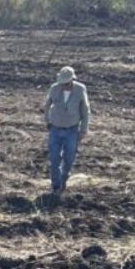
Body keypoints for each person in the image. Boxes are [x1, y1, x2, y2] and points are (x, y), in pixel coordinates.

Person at [42, 66, 90, 196]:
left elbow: (85, 111)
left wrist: (83, 130)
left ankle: (64, 177)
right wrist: (47, 121)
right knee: (54, 158)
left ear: (72, 80)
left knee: (69, 158)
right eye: (62, 83)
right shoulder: (54, 88)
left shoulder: (80, 89)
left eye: (66, 83)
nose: (64, 86)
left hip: (72, 130)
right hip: (55, 129)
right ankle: (56, 186)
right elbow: (47, 105)